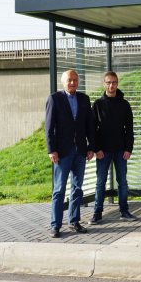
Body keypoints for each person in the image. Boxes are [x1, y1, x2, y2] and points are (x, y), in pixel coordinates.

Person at [45, 70, 95, 237]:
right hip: (62, 152)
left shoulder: (84, 99)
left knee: (77, 188)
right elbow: (49, 128)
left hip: (80, 151)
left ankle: (74, 221)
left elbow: (90, 125)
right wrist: (51, 150)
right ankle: (55, 225)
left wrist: (91, 147)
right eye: (69, 80)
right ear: (63, 82)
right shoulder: (54, 99)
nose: (72, 83)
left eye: (75, 80)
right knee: (59, 190)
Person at [90, 71, 136, 224]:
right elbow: (92, 130)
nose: (111, 85)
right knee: (100, 182)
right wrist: (96, 149)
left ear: (117, 83)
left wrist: (129, 148)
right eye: (108, 82)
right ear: (104, 84)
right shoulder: (97, 105)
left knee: (122, 182)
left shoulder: (124, 104)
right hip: (103, 151)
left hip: (121, 150)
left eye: (114, 82)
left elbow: (129, 129)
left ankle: (124, 211)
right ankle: (97, 213)